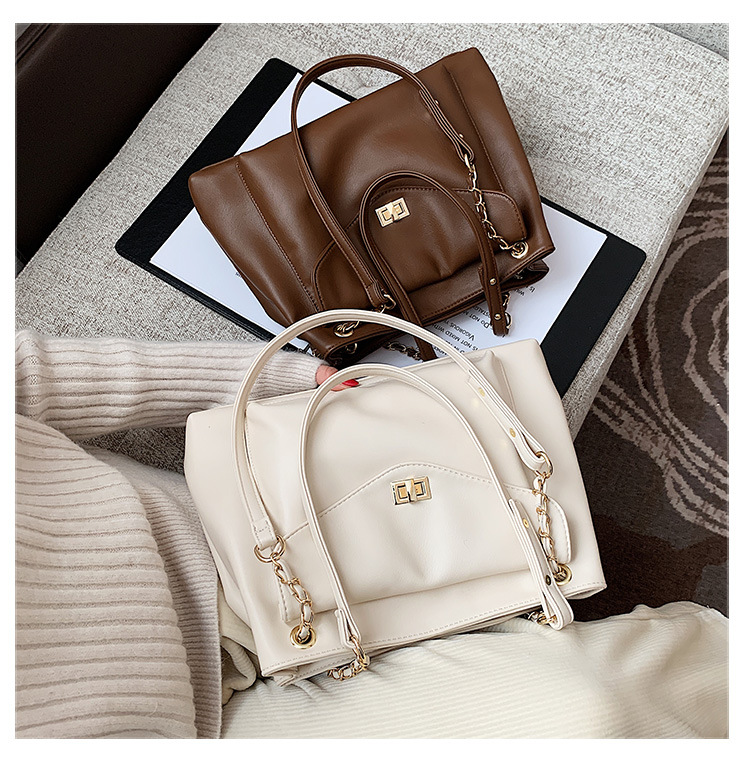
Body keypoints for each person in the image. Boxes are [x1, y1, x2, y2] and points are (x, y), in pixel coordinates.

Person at [15, 330, 727, 739]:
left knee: (601, 701)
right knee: (580, 724)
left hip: (223, 546)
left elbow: (27, 372)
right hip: (216, 735)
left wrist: (280, 379)